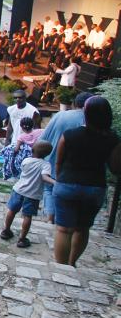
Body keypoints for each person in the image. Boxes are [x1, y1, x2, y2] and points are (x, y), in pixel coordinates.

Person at [52, 96, 121, 266]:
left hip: (67, 183)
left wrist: (61, 180)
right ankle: (72, 262)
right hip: (94, 187)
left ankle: (61, 269)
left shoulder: (70, 135)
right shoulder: (113, 140)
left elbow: (58, 162)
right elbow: (115, 168)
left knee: (63, 229)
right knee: (82, 229)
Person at [39, 91, 92, 222]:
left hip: (51, 160)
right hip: (73, 166)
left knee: (49, 189)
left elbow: (43, 137)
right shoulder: (89, 122)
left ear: (75, 103)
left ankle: (50, 216)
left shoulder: (60, 115)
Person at [0, 140, 54, 249]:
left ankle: (6, 231)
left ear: (32, 150)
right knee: (27, 216)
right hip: (32, 195)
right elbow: (44, 177)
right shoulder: (46, 165)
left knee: (12, 210)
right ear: (48, 154)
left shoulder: (26, 160)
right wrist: (55, 182)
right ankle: (22, 239)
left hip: (18, 190)